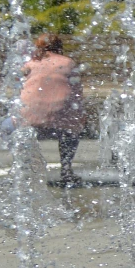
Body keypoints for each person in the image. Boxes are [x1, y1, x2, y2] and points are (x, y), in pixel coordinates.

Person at [19, 34, 85, 187]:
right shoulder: (68, 62)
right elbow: (77, 92)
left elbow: (18, 85)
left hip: (29, 117)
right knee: (71, 131)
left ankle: (25, 168)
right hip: (61, 117)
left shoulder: (30, 64)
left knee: (7, 127)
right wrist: (80, 115)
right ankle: (66, 170)